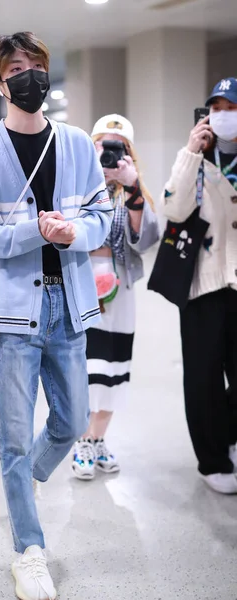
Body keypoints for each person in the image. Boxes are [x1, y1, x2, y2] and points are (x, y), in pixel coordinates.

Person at [0, 31, 112, 600]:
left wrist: (75, 232)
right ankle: (29, 549)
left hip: (66, 302)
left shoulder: (73, 144)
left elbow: (101, 213)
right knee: (14, 441)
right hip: (12, 312)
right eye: (17, 68)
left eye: (37, 66)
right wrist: (31, 231)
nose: (31, 76)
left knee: (70, 423)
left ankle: (29, 483)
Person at [160, 77, 237, 494]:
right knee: (204, 377)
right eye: (217, 107)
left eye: (232, 107)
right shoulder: (195, 160)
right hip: (203, 283)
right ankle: (212, 460)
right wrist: (191, 153)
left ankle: (228, 433)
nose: (223, 115)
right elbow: (173, 207)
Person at [71, 115, 159, 480]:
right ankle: (82, 442)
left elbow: (147, 237)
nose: (107, 153)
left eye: (115, 146)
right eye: (101, 145)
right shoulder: (73, 187)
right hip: (79, 291)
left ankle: (96, 439)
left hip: (119, 295)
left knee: (113, 374)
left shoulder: (133, 194)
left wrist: (132, 186)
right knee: (85, 374)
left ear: (129, 154)